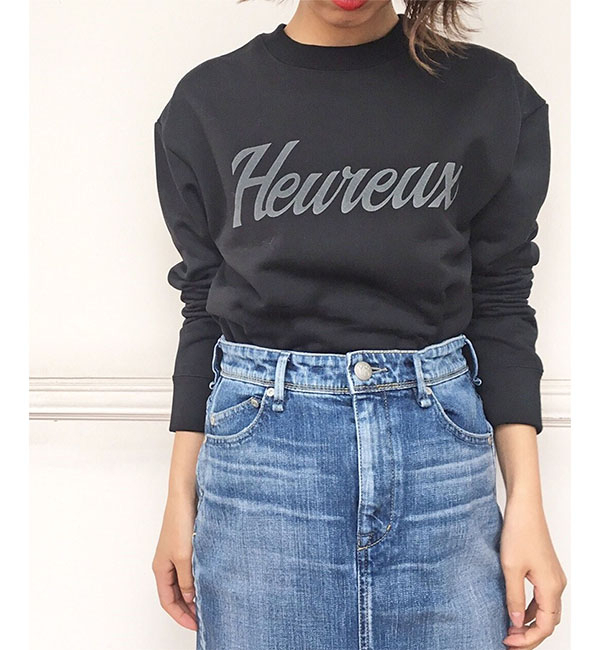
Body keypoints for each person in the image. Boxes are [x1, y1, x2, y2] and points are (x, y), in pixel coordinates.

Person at [151, 1, 567, 649]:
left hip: (441, 469)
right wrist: (180, 499)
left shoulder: (489, 93)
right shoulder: (207, 102)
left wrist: (527, 508)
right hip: (262, 468)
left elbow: (501, 301)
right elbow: (206, 306)